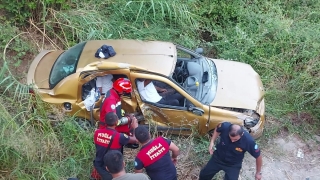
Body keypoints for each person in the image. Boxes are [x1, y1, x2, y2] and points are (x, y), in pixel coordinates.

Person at [93, 112, 138, 180]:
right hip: (112, 168)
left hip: (99, 165)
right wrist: (134, 127)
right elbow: (135, 140)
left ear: (105, 121)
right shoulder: (120, 137)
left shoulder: (97, 133)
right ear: (117, 122)